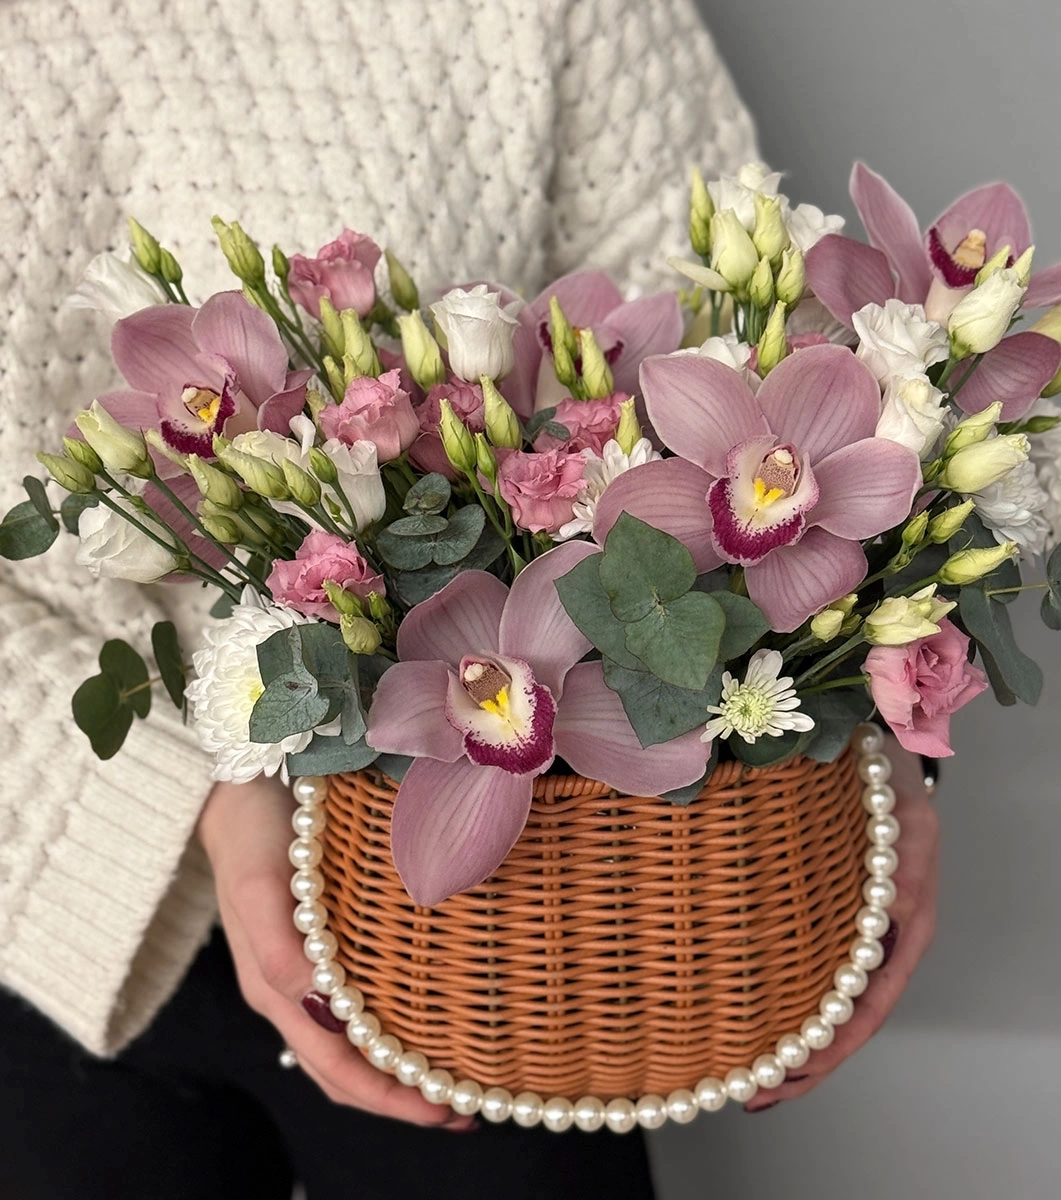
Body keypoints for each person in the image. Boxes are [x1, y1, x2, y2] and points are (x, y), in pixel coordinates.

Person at [0, 0, 939, 1195]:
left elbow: (736, 358)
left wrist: (885, 746)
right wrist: (207, 810)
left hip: (502, 922)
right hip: (47, 887)